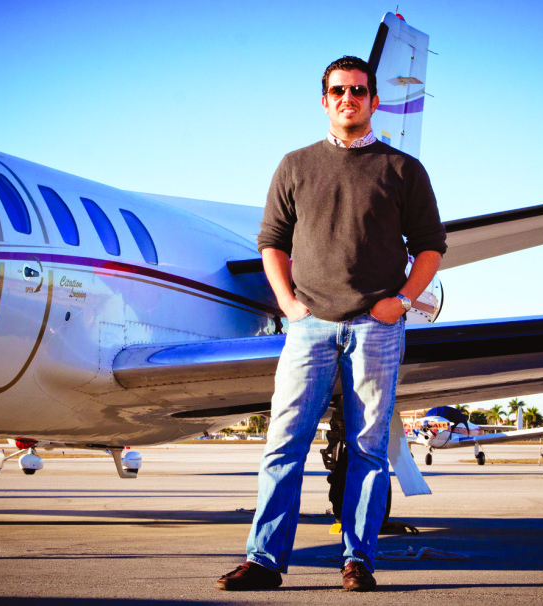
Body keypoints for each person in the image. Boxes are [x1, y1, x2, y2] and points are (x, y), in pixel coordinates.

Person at [216, 55, 446, 592]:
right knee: (283, 443)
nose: (349, 99)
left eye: (359, 91)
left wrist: (402, 301)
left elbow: (432, 247)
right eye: (339, 91)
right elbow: (270, 242)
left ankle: (358, 560)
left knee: (367, 447)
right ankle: (265, 561)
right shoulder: (295, 165)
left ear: (374, 100)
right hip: (309, 326)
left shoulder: (403, 170)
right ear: (325, 100)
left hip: (377, 327)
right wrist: (289, 305)